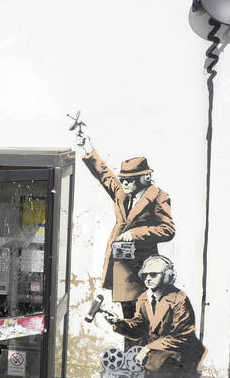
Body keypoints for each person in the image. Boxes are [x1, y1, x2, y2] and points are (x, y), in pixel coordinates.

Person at [75, 126, 175, 318]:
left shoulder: (159, 197)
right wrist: (88, 148)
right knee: (129, 321)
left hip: (143, 271)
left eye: (129, 180)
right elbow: (105, 175)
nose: (125, 183)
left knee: (144, 321)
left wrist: (135, 234)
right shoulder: (122, 194)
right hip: (122, 270)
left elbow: (168, 230)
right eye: (123, 179)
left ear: (143, 179)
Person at [108, 255, 205, 377]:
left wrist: (148, 348)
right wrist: (118, 322)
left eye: (153, 274)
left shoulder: (179, 299)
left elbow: (181, 336)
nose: (148, 279)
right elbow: (139, 327)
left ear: (167, 276)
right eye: (145, 275)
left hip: (179, 360)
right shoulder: (143, 298)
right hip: (155, 360)